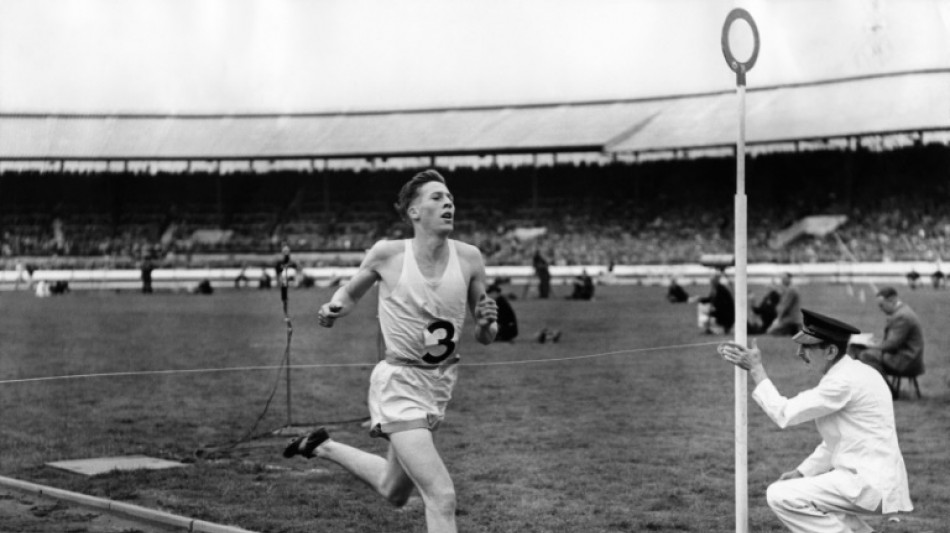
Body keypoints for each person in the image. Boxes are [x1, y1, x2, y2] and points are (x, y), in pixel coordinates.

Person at [282, 169, 498, 533]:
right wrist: (332, 309)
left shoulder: (470, 259)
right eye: (437, 197)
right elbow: (349, 294)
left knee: (394, 490)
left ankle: (323, 446)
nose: (449, 203)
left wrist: (487, 324)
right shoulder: (388, 254)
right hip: (399, 385)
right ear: (413, 212)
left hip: (440, 386)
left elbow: (486, 334)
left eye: (451, 199)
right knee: (441, 496)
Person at [719, 309, 912, 533]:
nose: (799, 353)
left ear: (830, 351)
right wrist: (802, 473)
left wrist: (756, 370)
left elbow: (785, 412)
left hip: (868, 483)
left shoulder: (842, 382)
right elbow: (836, 440)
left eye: (807, 347)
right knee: (811, 500)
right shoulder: (855, 372)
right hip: (873, 480)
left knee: (780, 495)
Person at [858, 286, 924, 392]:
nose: (880, 309)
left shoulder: (901, 316)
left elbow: (891, 345)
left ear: (892, 300)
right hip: (908, 357)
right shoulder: (903, 311)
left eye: (882, 305)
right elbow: (894, 342)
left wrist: (868, 344)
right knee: (865, 352)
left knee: (865, 355)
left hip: (906, 360)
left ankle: (888, 391)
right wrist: (876, 342)